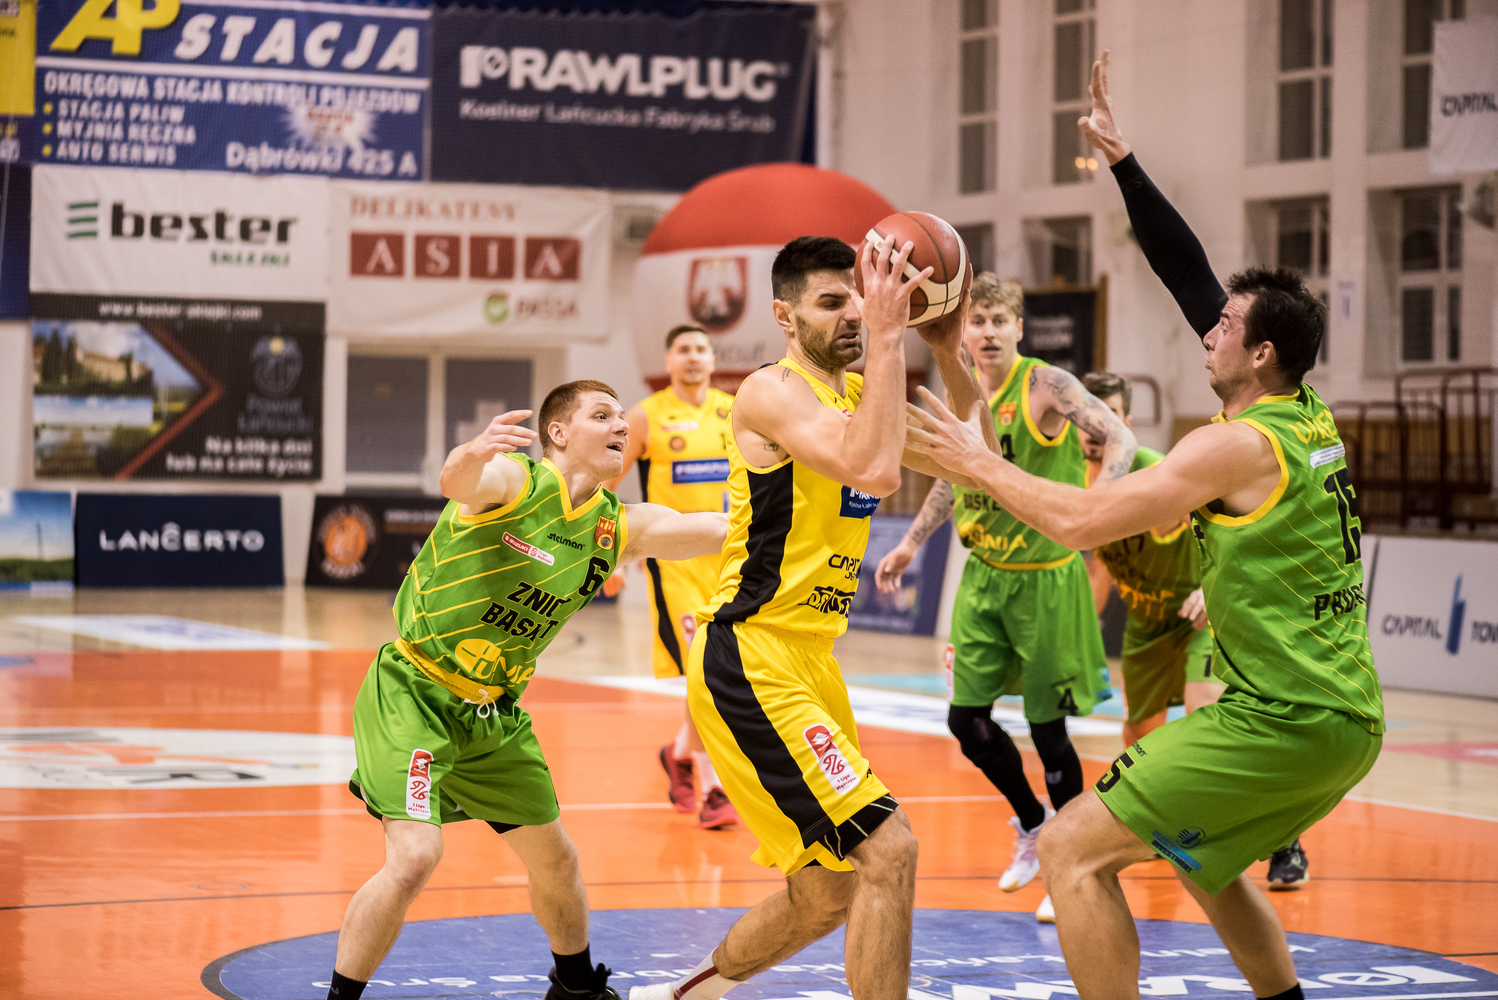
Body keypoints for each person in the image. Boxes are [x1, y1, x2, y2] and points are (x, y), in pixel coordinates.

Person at [903, 51, 1381, 1000]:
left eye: (1225, 327)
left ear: (1261, 352)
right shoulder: (1303, 408)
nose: (1209, 330)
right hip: (1337, 712)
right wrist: (1123, 163)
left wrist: (973, 461)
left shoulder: (1232, 447)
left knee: (1070, 849)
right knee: (1204, 861)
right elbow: (1188, 272)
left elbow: (1082, 521)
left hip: (1285, 718)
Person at [629, 235, 992, 1000]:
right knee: (890, 851)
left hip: (813, 662)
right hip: (751, 656)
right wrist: (890, 338)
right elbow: (873, 469)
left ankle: (685, 995)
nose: (855, 314)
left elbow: (980, 457)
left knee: (829, 893)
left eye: (859, 299)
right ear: (784, 317)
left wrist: (945, 348)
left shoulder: (860, 396)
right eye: (833, 302)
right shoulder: (771, 392)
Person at [327, 381, 730, 1000]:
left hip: (493, 714)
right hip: (415, 692)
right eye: (602, 415)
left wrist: (803, 494)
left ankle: (575, 988)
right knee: (413, 858)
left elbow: (719, 530)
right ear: (558, 433)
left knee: (557, 861)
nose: (621, 426)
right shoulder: (516, 481)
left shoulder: (615, 526)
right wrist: (473, 452)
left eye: (623, 418)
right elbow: (458, 481)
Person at [874, 273, 1135, 923]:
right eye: (977, 321)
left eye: (999, 321)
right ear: (961, 329)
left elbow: (1121, 439)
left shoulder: (1045, 384)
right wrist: (911, 542)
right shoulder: (958, 390)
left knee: (1049, 731)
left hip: (1046, 578)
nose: (987, 333)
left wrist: (1100, 503)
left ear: (1019, 328)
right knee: (966, 722)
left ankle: (1072, 863)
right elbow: (954, 476)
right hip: (984, 577)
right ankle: (1032, 824)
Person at [606, 324, 740, 830]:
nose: (693, 357)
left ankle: (679, 751)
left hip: (731, 559)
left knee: (720, 671)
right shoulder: (645, 416)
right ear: (668, 361)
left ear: (712, 359)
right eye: (683, 349)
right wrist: (612, 559)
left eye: (701, 349)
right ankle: (714, 788)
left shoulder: (735, 411)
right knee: (704, 672)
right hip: (675, 564)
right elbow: (607, 487)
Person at [1078, 370, 1221, 750]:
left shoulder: (1155, 471)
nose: (1095, 425)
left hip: (1197, 614)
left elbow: (1221, 530)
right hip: (1145, 625)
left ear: (1126, 424)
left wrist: (1214, 588)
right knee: (1138, 737)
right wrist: (1081, 631)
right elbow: (1101, 567)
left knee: (1205, 711)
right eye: (1086, 413)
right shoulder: (1076, 481)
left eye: (1108, 414)